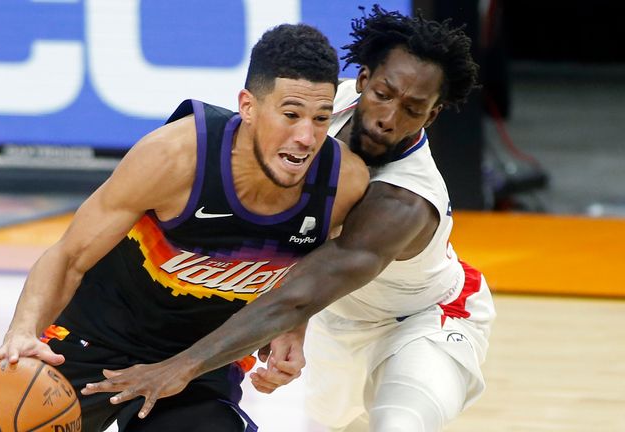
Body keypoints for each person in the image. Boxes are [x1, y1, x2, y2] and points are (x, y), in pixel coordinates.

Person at [83, 6, 496, 432]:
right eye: (383, 95)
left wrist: (181, 367)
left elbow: (301, 292)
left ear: (431, 115)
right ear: (363, 81)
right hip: (335, 319)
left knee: (399, 423)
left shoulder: (405, 199)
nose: (388, 118)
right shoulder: (317, 106)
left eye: (413, 109)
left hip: (423, 316)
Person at [0, 23, 369, 432]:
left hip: (195, 365)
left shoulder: (343, 184)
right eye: (291, 115)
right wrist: (20, 332)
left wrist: (292, 330)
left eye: (321, 118)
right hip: (92, 341)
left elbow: (312, 272)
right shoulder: (175, 158)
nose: (306, 136)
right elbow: (68, 256)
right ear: (248, 106)